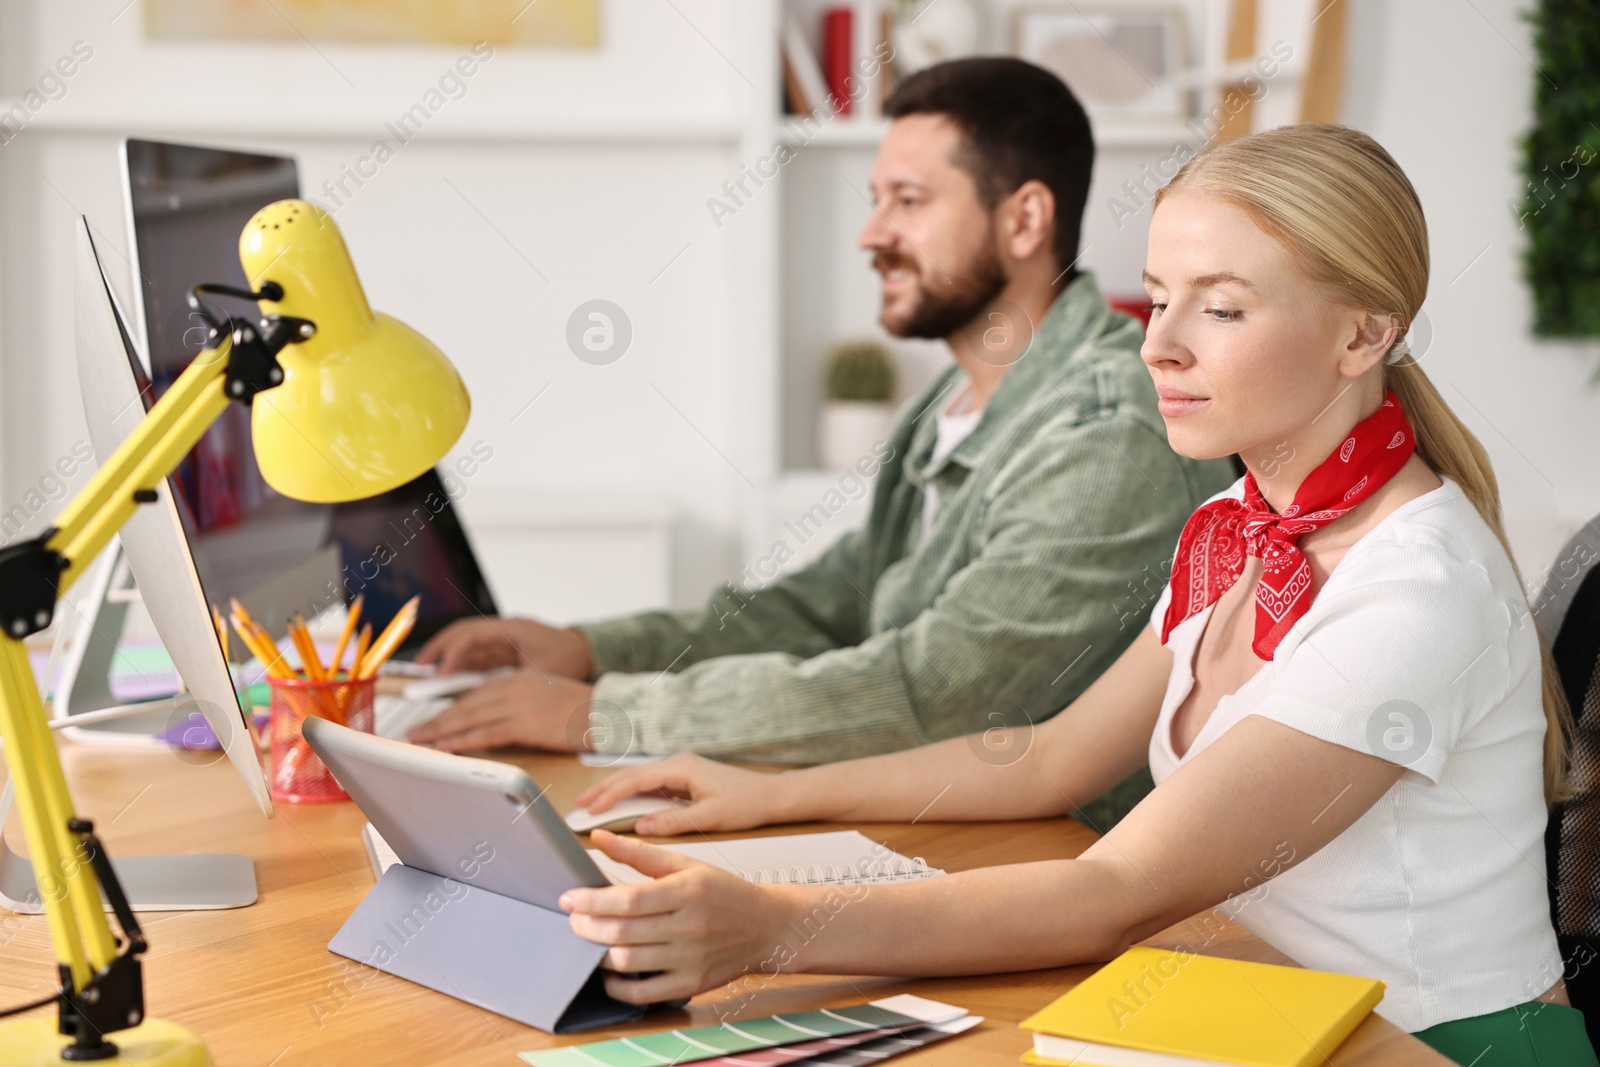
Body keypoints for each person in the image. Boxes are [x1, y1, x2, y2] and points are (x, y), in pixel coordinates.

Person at [557, 123, 1599, 1066]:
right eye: (1159, 293)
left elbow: (1114, 890)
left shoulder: (1414, 590)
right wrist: (765, 789)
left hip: (1432, 1044)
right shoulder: (1236, 522)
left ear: (1364, 335)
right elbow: (1053, 755)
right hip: (1262, 1013)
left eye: (1222, 306)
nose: (1158, 342)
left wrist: (770, 927)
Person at [411, 59, 1234, 828]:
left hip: (1056, 867)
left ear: (1024, 219)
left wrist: (602, 711)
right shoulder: (950, 409)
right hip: (949, 829)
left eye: (908, 201)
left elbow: (942, 690)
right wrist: (592, 651)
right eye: (876, 199)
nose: (871, 234)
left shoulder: (1105, 429)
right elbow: (821, 608)